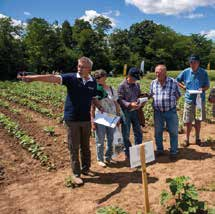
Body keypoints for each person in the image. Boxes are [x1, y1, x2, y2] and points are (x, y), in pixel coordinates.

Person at [18, 56, 103, 185]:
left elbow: (93, 98)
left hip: (85, 119)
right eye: (78, 66)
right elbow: (52, 78)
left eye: (82, 67)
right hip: (72, 119)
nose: (79, 68)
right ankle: (76, 174)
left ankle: (86, 168)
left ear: (89, 69)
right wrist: (33, 78)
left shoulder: (93, 82)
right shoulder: (71, 78)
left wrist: (99, 106)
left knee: (85, 146)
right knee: (74, 147)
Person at [176, 55, 210, 147]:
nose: (192, 64)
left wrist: (202, 89)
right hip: (189, 100)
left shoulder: (203, 73)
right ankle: (186, 139)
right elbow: (177, 80)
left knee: (198, 120)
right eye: (191, 62)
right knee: (188, 121)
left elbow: (207, 86)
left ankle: (198, 138)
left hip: (199, 101)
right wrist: (183, 86)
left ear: (198, 63)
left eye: (194, 62)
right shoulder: (186, 72)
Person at [150, 63, 181, 160]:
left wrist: (170, 103)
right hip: (158, 112)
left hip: (170, 111)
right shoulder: (153, 83)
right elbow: (151, 94)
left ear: (165, 72)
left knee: (173, 132)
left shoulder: (173, 82)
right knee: (158, 132)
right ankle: (159, 150)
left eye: (159, 73)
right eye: (156, 73)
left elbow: (178, 95)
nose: (157, 75)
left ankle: (174, 151)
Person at [91, 69, 121, 167]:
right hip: (100, 117)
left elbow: (116, 104)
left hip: (111, 116)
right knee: (100, 140)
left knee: (111, 138)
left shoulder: (112, 89)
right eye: (96, 78)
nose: (98, 79)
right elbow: (92, 106)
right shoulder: (95, 89)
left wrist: (118, 116)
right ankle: (100, 159)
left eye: (100, 77)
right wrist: (92, 120)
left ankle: (108, 157)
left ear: (105, 77)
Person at [118, 67, 143, 160]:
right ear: (129, 76)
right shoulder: (122, 86)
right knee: (126, 133)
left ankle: (137, 150)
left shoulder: (137, 85)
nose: (135, 80)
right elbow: (120, 99)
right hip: (126, 112)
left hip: (135, 112)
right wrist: (129, 104)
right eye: (134, 78)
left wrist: (141, 100)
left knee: (138, 132)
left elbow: (138, 95)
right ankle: (128, 152)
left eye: (136, 79)